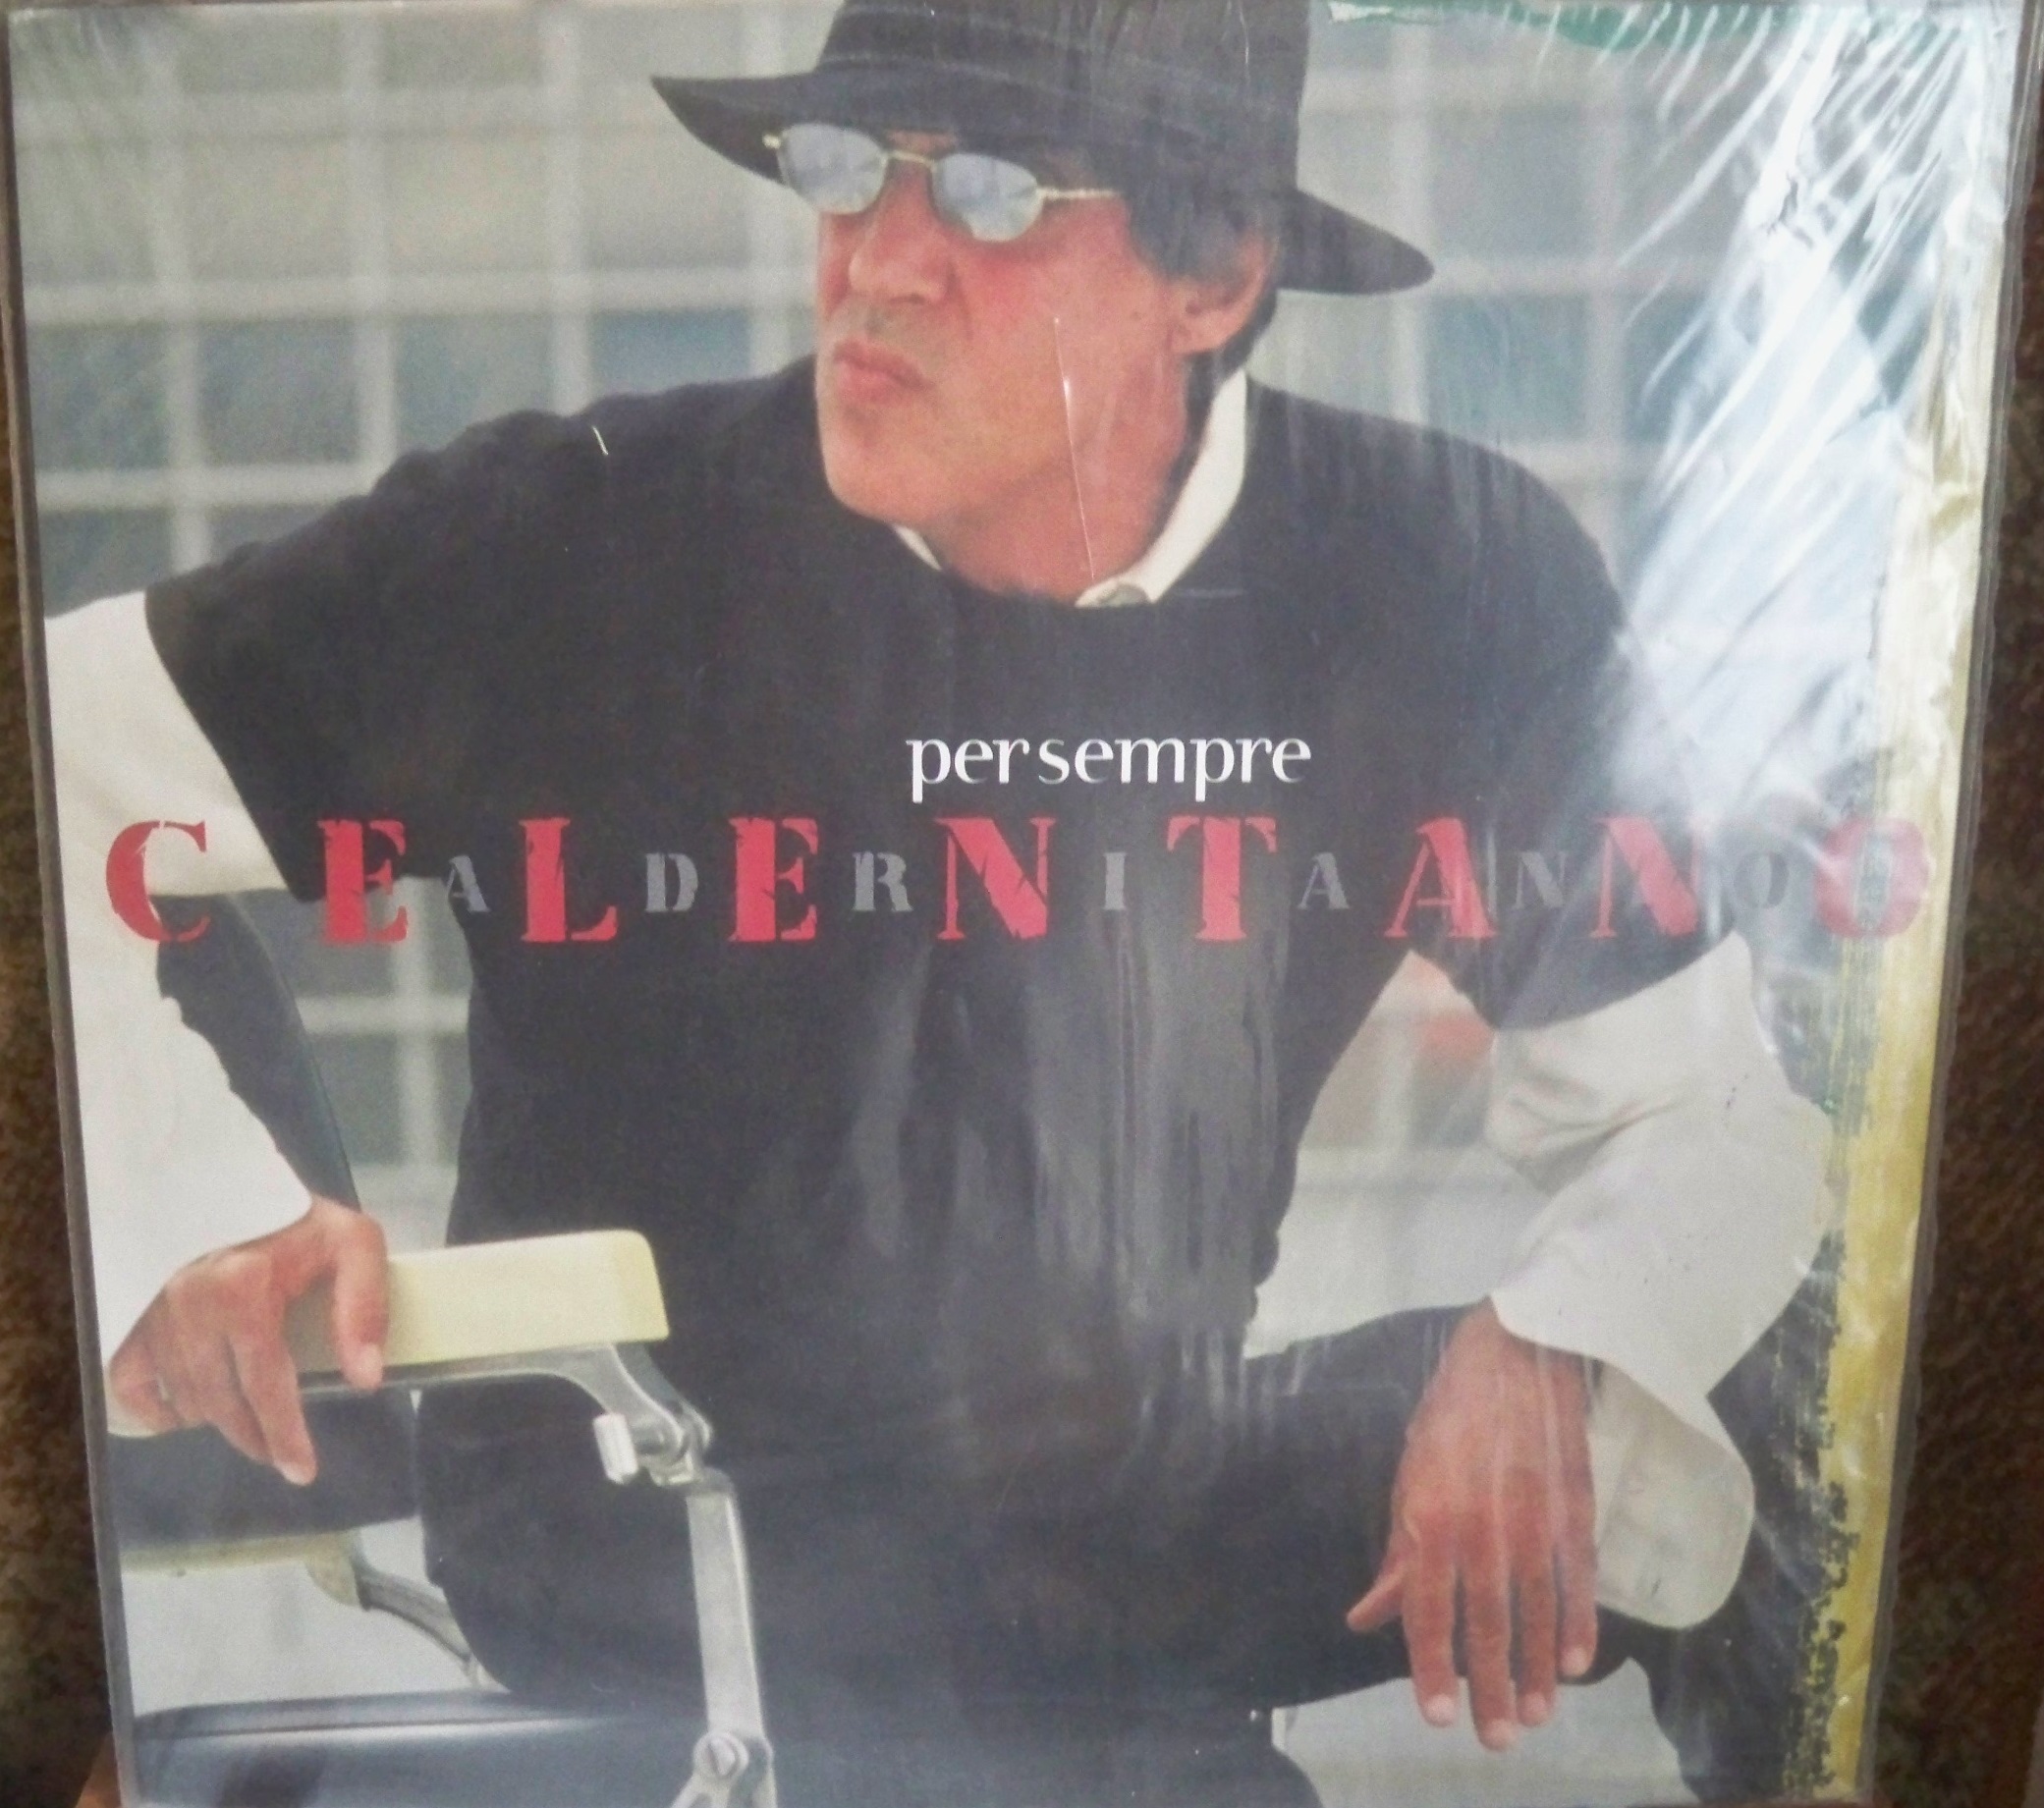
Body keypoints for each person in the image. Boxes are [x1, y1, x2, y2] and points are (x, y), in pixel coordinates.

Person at [47, 1, 1836, 1802]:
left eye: (989, 193)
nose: (877, 266)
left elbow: (1703, 1110)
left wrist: (1550, 1345)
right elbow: (47, 750)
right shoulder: (572, 538)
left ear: (1212, 278)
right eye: (842, 170)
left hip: (1127, 1507)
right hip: (660, 1524)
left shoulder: (1434, 569)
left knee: (1773, 1375)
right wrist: (202, 1206)